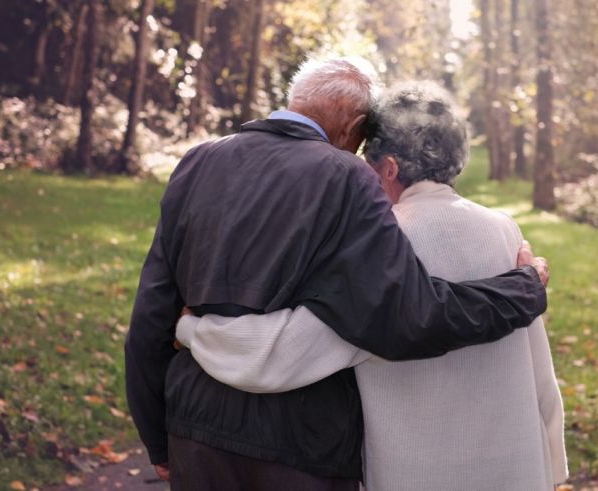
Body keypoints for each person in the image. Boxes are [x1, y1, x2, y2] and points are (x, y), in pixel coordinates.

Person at [125, 58, 550, 490]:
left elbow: (151, 314)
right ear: (356, 125)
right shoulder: (346, 176)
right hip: (301, 444)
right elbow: (405, 312)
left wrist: (157, 441)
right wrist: (523, 288)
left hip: (193, 430)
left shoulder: (199, 160)